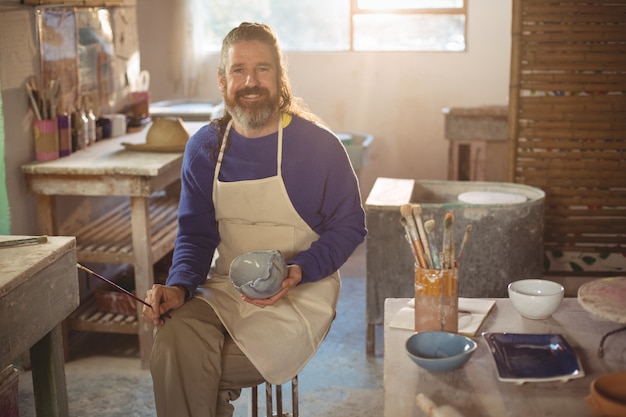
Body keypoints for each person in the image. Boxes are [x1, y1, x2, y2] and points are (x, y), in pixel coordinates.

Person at [142, 22, 367, 417]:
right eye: (238, 70)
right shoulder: (204, 148)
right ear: (222, 79)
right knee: (174, 334)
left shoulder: (319, 147)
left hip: (299, 295)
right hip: (225, 287)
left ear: (280, 77)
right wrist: (178, 286)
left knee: (182, 364)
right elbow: (195, 235)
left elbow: (349, 224)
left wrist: (301, 269)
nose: (250, 81)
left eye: (263, 69)